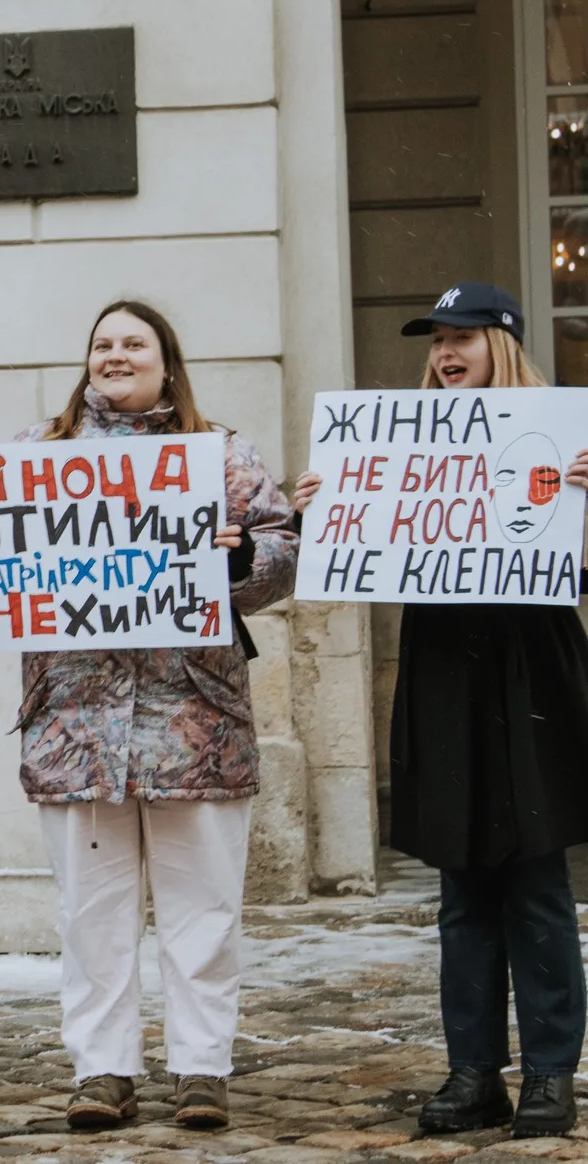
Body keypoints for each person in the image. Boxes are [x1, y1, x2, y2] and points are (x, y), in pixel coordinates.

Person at [0, 300, 296, 1132]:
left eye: (134, 343)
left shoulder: (221, 454)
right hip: (76, 725)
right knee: (93, 917)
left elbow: (282, 553)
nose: (115, 355)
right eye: (103, 344)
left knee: (203, 913)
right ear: (87, 361)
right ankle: (102, 1069)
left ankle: (201, 1069)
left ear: (167, 363)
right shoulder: (34, 457)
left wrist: (242, 560)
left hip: (197, 721)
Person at [292, 282, 588, 1139]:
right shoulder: (401, 444)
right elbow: (355, 561)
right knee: (461, 885)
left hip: (530, 674)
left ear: (505, 342)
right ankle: (472, 1071)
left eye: (464, 336)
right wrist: (324, 516)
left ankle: (549, 1073)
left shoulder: (560, 439)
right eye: (436, 341)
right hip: (444, 678)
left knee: (534, 881)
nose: (445, 351)